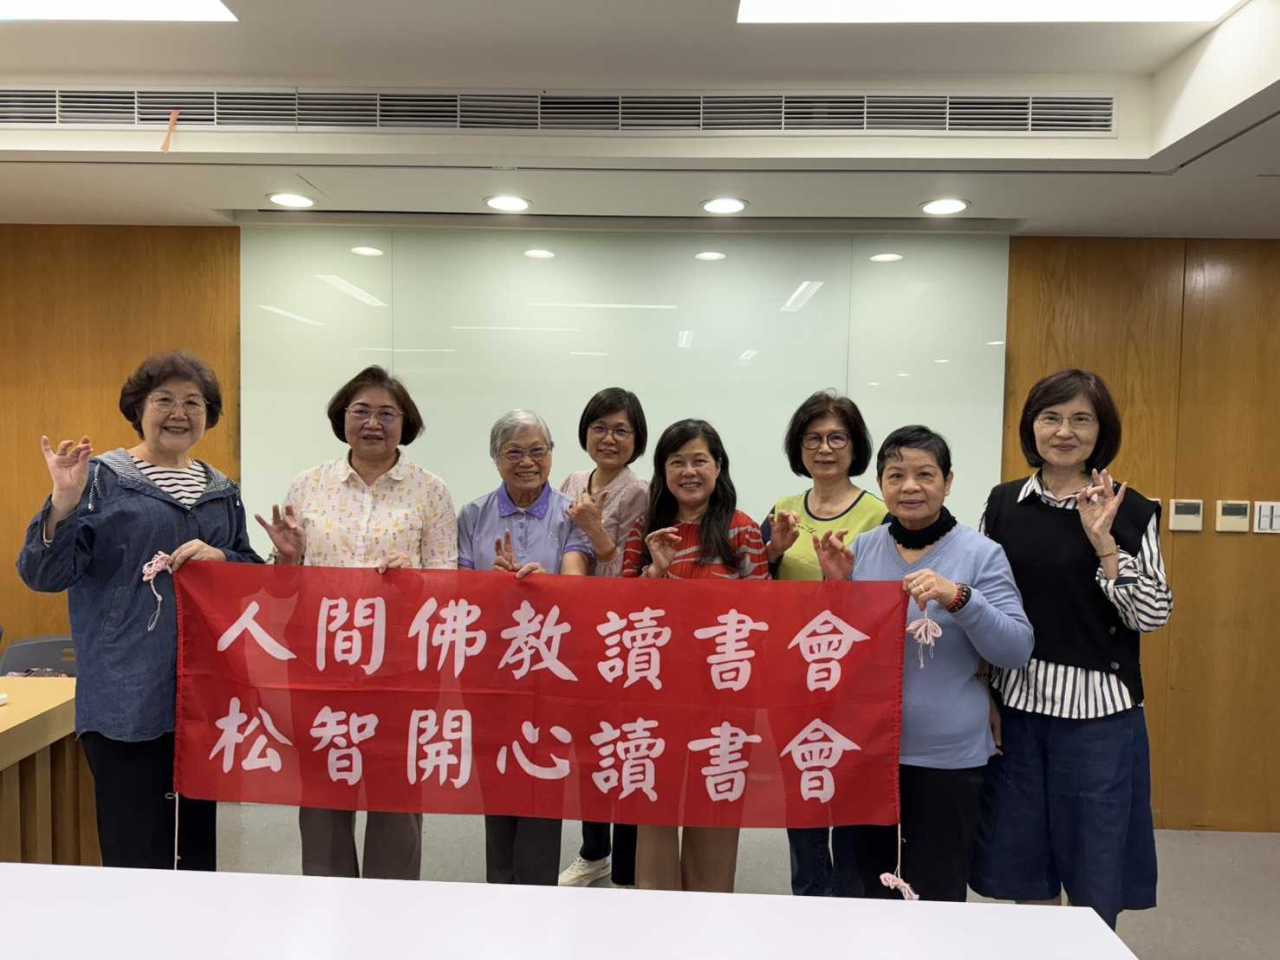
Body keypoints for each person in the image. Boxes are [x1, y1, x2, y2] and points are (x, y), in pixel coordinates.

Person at [17, 351, 261, 870]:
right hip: (124, 692)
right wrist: (62, 503)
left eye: (193, 402)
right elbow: (43, 575)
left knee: (195, 848)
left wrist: (222, 557)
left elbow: (249, 579)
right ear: (138, 409)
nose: (179, 413)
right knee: (134, 849)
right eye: (164, 400)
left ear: (209, 415)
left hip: (204, 693)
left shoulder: (222, 490)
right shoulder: (99, 479)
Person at [970, 369, 1173, 929]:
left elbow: (1152, 615)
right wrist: (983, 693)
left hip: (1100, 719)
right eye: (1051, 418)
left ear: (1101, 431)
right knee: (1026, 863)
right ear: (1031, 427)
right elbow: (984, 606)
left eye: (1081, 419)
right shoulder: (1003, 504)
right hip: (1018, 710)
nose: (1065, 431)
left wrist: (1105, 544)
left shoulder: (1131, 509)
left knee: (1096, 867)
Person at [815, 425, 1033, 902]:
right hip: (867, 752)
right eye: (896, 476)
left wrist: (960, 598)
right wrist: (839, 589)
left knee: (935, 894)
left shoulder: (981, 554)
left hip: (946, 756)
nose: (910, 486)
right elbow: (842, 650)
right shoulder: (863, 548)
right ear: (881, 484)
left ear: (948, 482)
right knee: (860, 890)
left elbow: (1016, 648)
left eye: (925, 474)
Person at [256, 365, 456, 880]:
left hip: (401, 667)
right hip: (323, 662)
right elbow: (283, 590)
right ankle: (328, 902)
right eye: (361, 411)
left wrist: (416, 580)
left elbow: (449, 582)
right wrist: (287, 558)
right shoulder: (308, 485)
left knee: (396, 796)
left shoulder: (430, 491)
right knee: (323, 794)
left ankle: (391, 909)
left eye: (387, 413)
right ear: (341, 419)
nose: (373, 423)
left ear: (405, 423)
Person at [621, 418, 769, 892]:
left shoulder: (742, 530)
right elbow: (620, 614)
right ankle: (655, 914)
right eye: (677, 462)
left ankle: (710, 912)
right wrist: (655, 573)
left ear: (718, 467)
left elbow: (765, 614)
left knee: (715, 803)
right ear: (662, 470)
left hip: (722, 693)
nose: (689, 471)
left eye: (699, 460)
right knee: (655, 809)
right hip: (656, 692)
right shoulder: (646, 530)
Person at [457, 409, 594, 885]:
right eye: (514, 452)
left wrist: (545, 585)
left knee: (542, 776)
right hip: (489, 670)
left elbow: (577, 579)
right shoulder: (473, 515)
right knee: (496, 777)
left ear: (552, 455)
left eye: (538, 451)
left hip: (550, 669)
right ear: (495, 457)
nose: (527, 462)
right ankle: (500, 888)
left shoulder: (571, 513)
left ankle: (536, 894)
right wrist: (489, 587)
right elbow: (457, 590)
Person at [761, 389, 887, 898]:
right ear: (799, 447)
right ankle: (810, 897)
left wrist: (846, 583)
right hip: (794, 678)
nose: (825, 449)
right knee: (803, 792)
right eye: (813, 438)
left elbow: (886, 603)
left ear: (856, 446)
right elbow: (755, 593)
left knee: (851, 790)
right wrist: (772, 552)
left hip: (854, 679)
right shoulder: (782, 510)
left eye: (837, 438)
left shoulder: (878, 513)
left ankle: (853, 900)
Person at [556, 387, 650, 888]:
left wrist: (594, 529)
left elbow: (625, 572)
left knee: (627, 746)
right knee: (589, 749)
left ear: (637, 439)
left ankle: (628, 863)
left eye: (621, 430)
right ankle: (594, 851)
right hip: (577, 638)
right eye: (600, 427)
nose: (609, 439)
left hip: (623, 638)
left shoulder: (640, 493)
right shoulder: (573, 481)